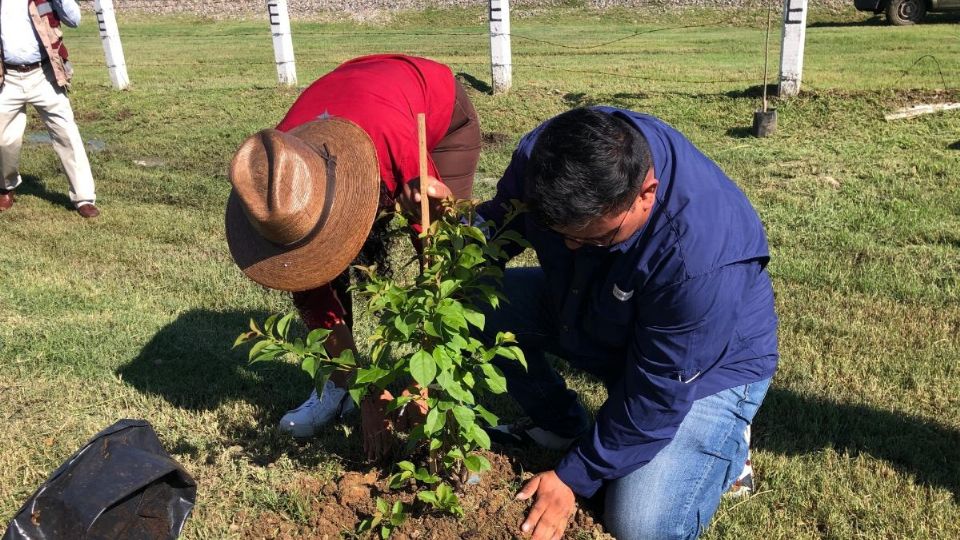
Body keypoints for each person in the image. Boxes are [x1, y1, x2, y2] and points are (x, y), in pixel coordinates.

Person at [475, 107, 779, 539]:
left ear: (646, 193)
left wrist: (572, 478)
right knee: (479, 304)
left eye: (596, 238)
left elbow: (656, 393)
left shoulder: (701, 257)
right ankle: (561, 425)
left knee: (641, 525)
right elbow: (502, 220)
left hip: (709, 367)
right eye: (559, 232)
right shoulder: (547, 156)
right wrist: (457, 234)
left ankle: (728, 445)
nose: (572, 246)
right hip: (597, 304)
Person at [225, 54, 481, 456]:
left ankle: (449, 399)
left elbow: (441, 264)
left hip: (435, 112)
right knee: (312, 261)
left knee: (447, 251)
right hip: (360, 106)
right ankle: (337, 388)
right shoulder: (278, 172)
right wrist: (363, 389)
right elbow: (309, 290)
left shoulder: (399, 152)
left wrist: (423, 378)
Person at [0, 0, 98, 217]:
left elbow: (74, 20)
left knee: (67, 134)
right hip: (7, 77)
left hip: (45, 74)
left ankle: (84, 198)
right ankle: (6, 187)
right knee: (3, 140)